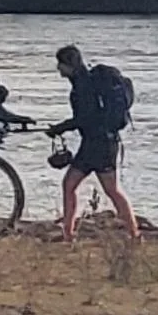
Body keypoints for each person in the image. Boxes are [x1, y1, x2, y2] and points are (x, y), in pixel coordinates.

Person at [47, 44, 139, 242]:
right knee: (74, 185)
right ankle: (69, 234)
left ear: (69, 65)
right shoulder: (85, 82)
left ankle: (134, 234)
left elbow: (84, 118)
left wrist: (60, 128)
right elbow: (86, 118)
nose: (58, 68)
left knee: (109, 190)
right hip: (97, 143)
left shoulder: (83, 87)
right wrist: (62, 127)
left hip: (99, 145)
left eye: (60, 64)